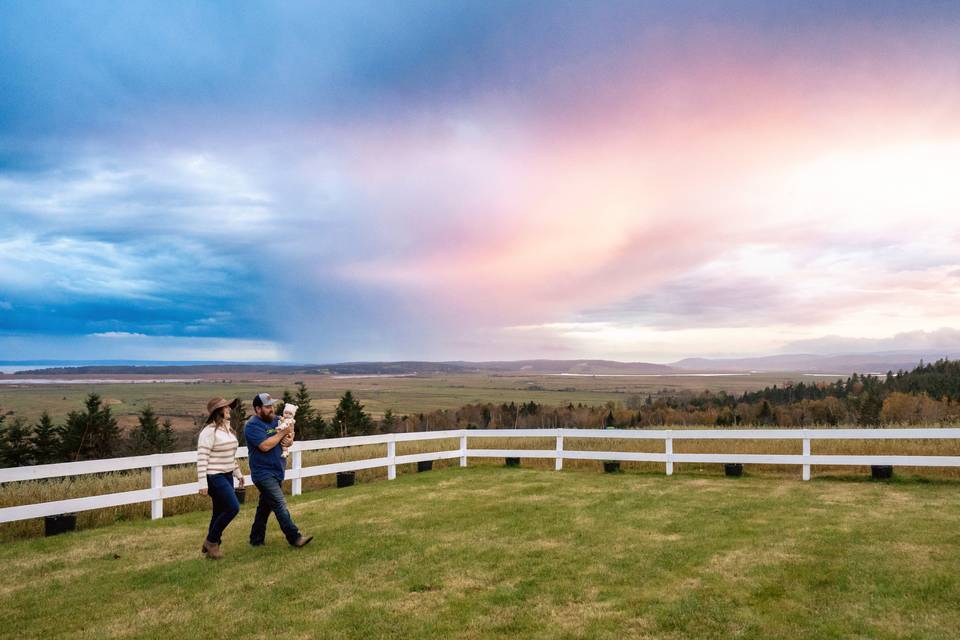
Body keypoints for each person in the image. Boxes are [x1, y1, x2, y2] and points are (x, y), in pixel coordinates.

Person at [245, 392, 313, 548]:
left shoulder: (277, 420)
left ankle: (256, 539)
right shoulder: (252, 426)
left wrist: (288, 440)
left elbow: (288, 440)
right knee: (279, 503)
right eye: (267, 407)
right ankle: (295, 537)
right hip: (262, 473)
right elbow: (265, 445)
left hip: (278, 470)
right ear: (257, 409)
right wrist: (282, 432)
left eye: (272, 406)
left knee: (265, 507)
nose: (272, 409)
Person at [197, 397, 243, 559]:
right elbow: (202, 458)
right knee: (233, 508)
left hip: (227, 475)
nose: (229, 409)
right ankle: (211, 541)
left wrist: (238, 474)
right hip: (214, 476)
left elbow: (230, 455)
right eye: (226, 408)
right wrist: (203, 483)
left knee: (218, 512)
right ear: (219, 411)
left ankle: (211, 548)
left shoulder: (228, 430)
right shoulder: (209, 432)